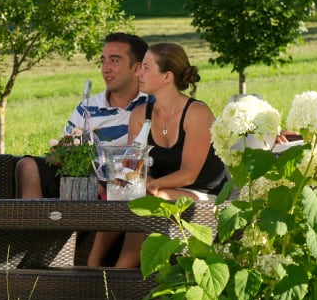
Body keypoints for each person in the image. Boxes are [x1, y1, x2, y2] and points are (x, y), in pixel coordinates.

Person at [88, 42, 228, 268]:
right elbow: (133, 167)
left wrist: (152, 184)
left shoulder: (197, 113)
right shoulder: (140, 114)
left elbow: (190, 174)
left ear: (167, 77)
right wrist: (121, 179)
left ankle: (121, 272)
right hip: (159, 189)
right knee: (120, 194)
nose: (138, 73)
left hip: (203, 195)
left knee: (146, 200)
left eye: (146, 67)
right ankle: (91, 266)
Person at [14, 32, 150, 198]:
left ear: (136, 68)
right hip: (81, 181)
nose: (105, 69)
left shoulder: (151, 107)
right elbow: (64, 149)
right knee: (27, 166)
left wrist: (103, 183)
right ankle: (33, 223)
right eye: (103, 61)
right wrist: (61, 152)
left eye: (114, 61)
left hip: (124, 184)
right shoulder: (88, 106)